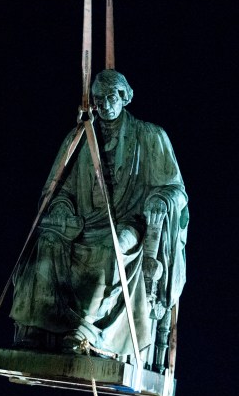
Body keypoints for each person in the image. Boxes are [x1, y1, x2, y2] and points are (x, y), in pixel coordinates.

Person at [10, 69, 188, 358]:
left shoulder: (151, 136)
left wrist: (161, 199)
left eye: (110, 98)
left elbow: (175, 189)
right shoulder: (79, 136)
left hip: (132, 223)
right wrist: (62, 209)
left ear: (124, 98)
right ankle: (37, 329)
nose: (104, 105)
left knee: (112, 248)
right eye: (98, 99)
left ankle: (86, 331)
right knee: (47, 242)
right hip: (84, 223)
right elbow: (59, 189)